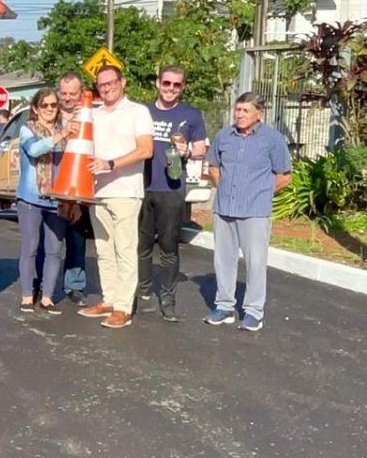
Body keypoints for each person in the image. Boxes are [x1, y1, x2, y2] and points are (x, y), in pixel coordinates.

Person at [205, 92, 292, 332]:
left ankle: (254, 311)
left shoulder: (273, 140)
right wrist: (222, 187)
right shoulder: (224, 136)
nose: (239, 115)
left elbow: (284, 175)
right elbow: (213, 166)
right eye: (238, 110)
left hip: (255, 211)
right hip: (224, 209)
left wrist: (261, 193)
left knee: (255, 262)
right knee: (223, 260)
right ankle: (224, 306)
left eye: (245, 111)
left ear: (259, 114)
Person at [78, 65, 153, 329]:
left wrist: (111, 164)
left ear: (123, 82)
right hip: (98, 193)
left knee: (124, 250)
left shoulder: (137, 112)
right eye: (101, 85)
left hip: (125, 192)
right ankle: (109, 300)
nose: (107, 88)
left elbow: (146, 150)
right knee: (103, 251)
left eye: (111, 83)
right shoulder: (94, 114)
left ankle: (123, 307)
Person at [139, 65, 209, 321]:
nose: (170, 89)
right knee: (142, 244)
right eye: (166, 83)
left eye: (176, 85)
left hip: (172, 188)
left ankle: (168, 300)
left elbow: (201, 149)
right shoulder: (142, 111)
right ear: (158, 83)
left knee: (168, 246)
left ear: (182, 87)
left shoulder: (191, 114)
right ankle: (143, 293)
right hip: (142, 187)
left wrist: (187, 152)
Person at [15, 87, 69, 316]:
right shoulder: (28, 129)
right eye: (45, 105)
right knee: (30, 248)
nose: (49, 109)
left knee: (54, 250)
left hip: (57, 199)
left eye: (53, 105)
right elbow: (35, 150)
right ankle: (27, 295)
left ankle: (47, 296)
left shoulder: (64, 132)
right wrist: (59, 136)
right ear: (36, 109)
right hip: (31, 198)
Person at [56, 71, 90, 302]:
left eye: (72, 94)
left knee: (76, 241)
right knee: (47, 243)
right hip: (52, 189)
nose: (67, 98)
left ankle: (74, 286)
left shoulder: (89, 116)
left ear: (81, 93)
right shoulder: (48, 113)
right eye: (64, 93)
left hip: (77, 189)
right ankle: (42, 285)